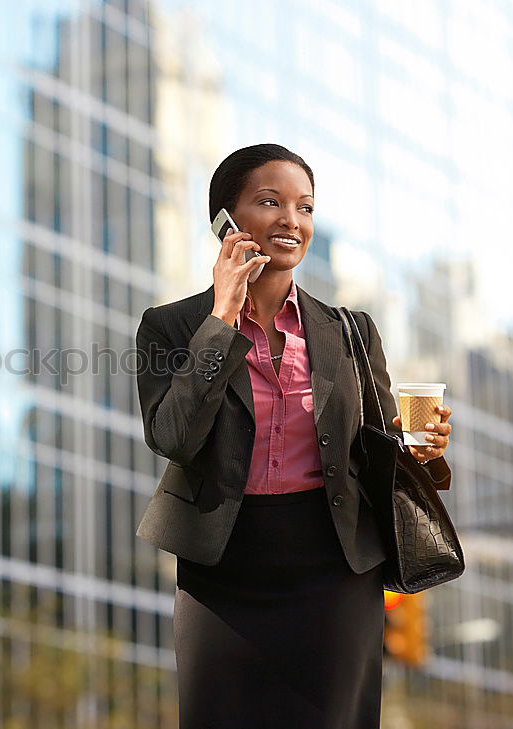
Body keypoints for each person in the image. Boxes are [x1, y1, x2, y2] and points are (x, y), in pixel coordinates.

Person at [134, 143, 454, 728]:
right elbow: (174, 436)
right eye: (269, 202)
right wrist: (222, 318)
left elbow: (381, 447)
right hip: (222, 567)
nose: (292, 220)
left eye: (305, 207)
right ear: (225, 221)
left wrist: (423, 451)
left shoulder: (349, 331)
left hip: (334, 566)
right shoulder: (172, 326)